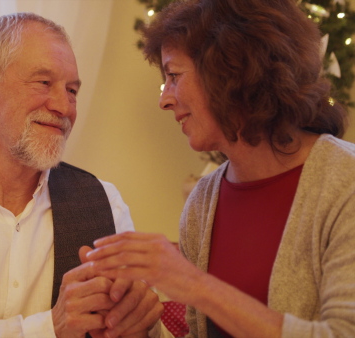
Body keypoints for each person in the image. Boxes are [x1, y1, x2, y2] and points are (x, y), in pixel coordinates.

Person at [86, 0, 355, 337]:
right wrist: (134, 325)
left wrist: (195, 285)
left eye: (173, 76)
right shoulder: (203, 201)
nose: (164, 100)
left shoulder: (346, 181)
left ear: (229, 71)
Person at [0, 12, 164, 337]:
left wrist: (138, 323)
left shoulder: (104, 202)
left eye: (72, 90)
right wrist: (51, 327)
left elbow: (144, 327)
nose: (64, 107)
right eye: (44, 82)